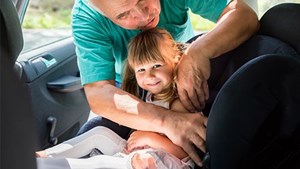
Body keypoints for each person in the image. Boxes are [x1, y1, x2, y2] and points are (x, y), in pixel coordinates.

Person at [72, 0, 259, 166]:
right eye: (123, 14)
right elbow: (98, 92)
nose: (143, 15)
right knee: (91, 135)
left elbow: (243, 15)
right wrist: (166, 121)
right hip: (129, 96)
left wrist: (197, 52)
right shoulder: (87, 17)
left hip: (180, 76)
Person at [36, 28, 195, 169]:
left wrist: (149, 137)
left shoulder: (178, 102)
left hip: (167, 162)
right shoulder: (148, 95)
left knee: (115, 161)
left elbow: (186, 153)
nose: (150, 76)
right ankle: (44, 157)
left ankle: (57, 166)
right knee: (100, 133)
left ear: (175, 58)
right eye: (141, 70)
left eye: (157, 65)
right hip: (141, 151)